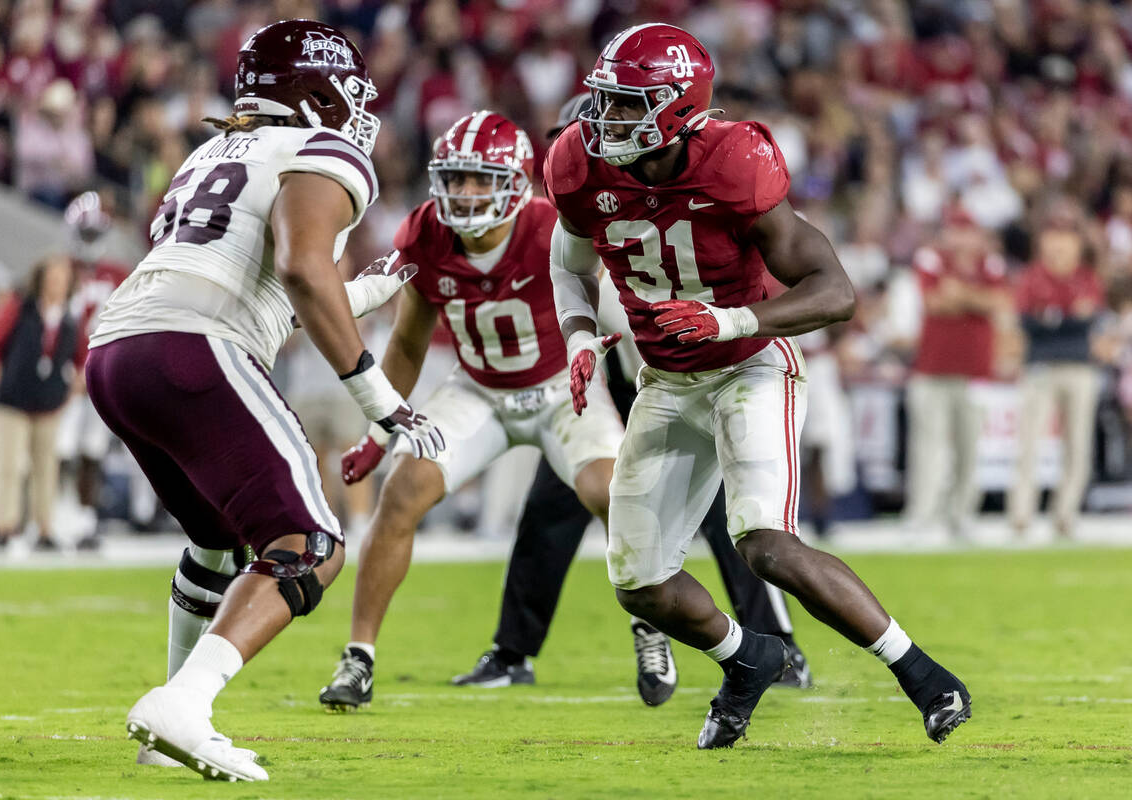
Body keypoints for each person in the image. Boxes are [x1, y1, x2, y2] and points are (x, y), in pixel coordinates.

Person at [546, 23, 971, 749]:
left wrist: (729, 320)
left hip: (749, 366)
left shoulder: (733, 162)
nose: (605, 120)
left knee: (765, 546)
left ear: (677, 107)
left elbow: (833, 290)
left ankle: (925, 675)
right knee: (638, 584)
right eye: (606, 102)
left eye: (626, 105)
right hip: (666, 381)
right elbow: (569, 264)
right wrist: (582, 337)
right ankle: (748, 658)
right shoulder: (580, 165)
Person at [84, 21, 443, 782]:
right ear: (312, 90)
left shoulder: (213, 150)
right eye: (347, 91)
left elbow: (272, 278)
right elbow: (303, 269)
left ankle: (169, 729)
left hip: (119, 350)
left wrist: (379, 284)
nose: (356, 111)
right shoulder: (321, 149)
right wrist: (382, 399)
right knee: (309, 543)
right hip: (194, 345)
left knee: (216, 539)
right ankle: (184, 705)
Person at [460, 95, 812, 706]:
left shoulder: (655, 202)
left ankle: (777, 640)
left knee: (730, 517)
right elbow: (567, 287)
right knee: (555, 504)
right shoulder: (576, 209)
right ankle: (517, 648)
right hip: (603, 388)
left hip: (673, 375)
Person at [318, 110, 630, 712]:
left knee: (612, 494)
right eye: (455, 179)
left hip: (561, 390)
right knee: (401, 494)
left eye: (478, 180)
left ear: (516, 182)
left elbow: (607, 307)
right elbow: (408, 342)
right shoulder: (428, 234)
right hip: (479, 390)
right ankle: (358, 657)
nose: (463, 193)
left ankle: (648, 628)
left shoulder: (552, 229)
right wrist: (380, 434)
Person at [904, 209, 1009, 534]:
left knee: (970, 449)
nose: (962, 239)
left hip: (975, 371)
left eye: (967, 231)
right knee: (928, 449)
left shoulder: (990, 263)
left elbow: (1001, 302)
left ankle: (961, 515)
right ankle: (921, 514)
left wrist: (961, 294)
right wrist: (976, 300)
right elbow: (934, 303)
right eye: (956, 231)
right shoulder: (930, 259)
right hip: (932, 369)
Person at [1008, 223, 1105, 538]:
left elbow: (1088, 318)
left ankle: (1065, 514)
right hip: (1041, 367)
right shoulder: (1032, 277)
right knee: (1029, 442)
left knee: (1078, 444)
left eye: (1065, 241)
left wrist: (1052, 318)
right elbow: (1027, 323)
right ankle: (1021, 514)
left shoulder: (1086, 277)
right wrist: (1067, 319)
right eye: (1054, 240)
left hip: (1079, 367)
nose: (1059, 247)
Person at [0, 253, 85, 551]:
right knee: (10, 465)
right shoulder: (20, 308)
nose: (57, 284)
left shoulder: (68, 319)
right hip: (11, 402)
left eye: (62, 279)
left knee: (46, 467)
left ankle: (44, 528)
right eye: (52, 278)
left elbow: (81, 358)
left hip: (48, 403)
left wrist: (72, 388)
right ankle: (3, 525)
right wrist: (0, 380)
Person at [55, 191, 131, 548]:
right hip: (66, 376)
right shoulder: (60, 271)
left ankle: (85, 519)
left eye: (93, 234)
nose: (89, 242)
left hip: (101, 374)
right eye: (84, 234)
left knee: (92, 449)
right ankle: (57, 514)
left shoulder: (117, 273)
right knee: (61, 448)